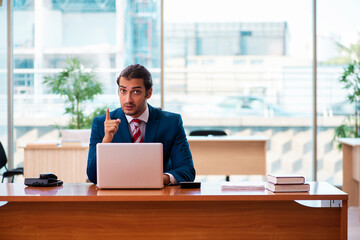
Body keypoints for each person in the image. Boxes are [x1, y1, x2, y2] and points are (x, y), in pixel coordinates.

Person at [87, 64, 195, 185]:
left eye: (136, 92)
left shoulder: (171, 122)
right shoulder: (102, 123)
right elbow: (92, 176)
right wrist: (106, 141)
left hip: (158, 198)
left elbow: (187, 171)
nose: (128, 99)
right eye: (123, 91)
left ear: (148, 93)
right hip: (117, 198)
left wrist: (158, 179)